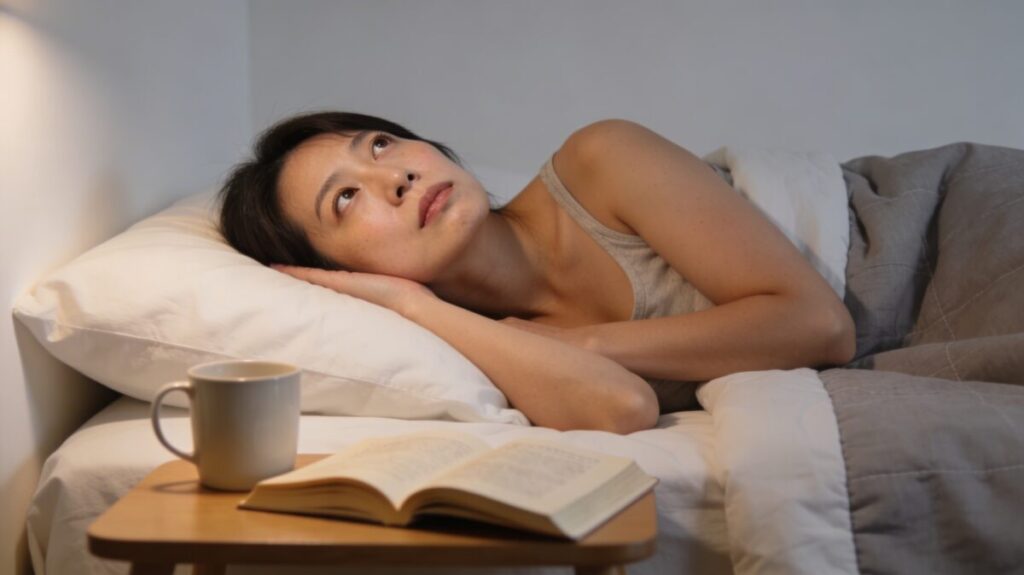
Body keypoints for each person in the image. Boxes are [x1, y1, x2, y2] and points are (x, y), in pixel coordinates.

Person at [219, 111, 856, 433]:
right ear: (337, 274)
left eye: (380, 144)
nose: (396, 176)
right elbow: (624, 407)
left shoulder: (601, 158)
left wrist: (584, 342)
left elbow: (822, 325)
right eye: (345, 198)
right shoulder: (479, 346)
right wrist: (412, 306)